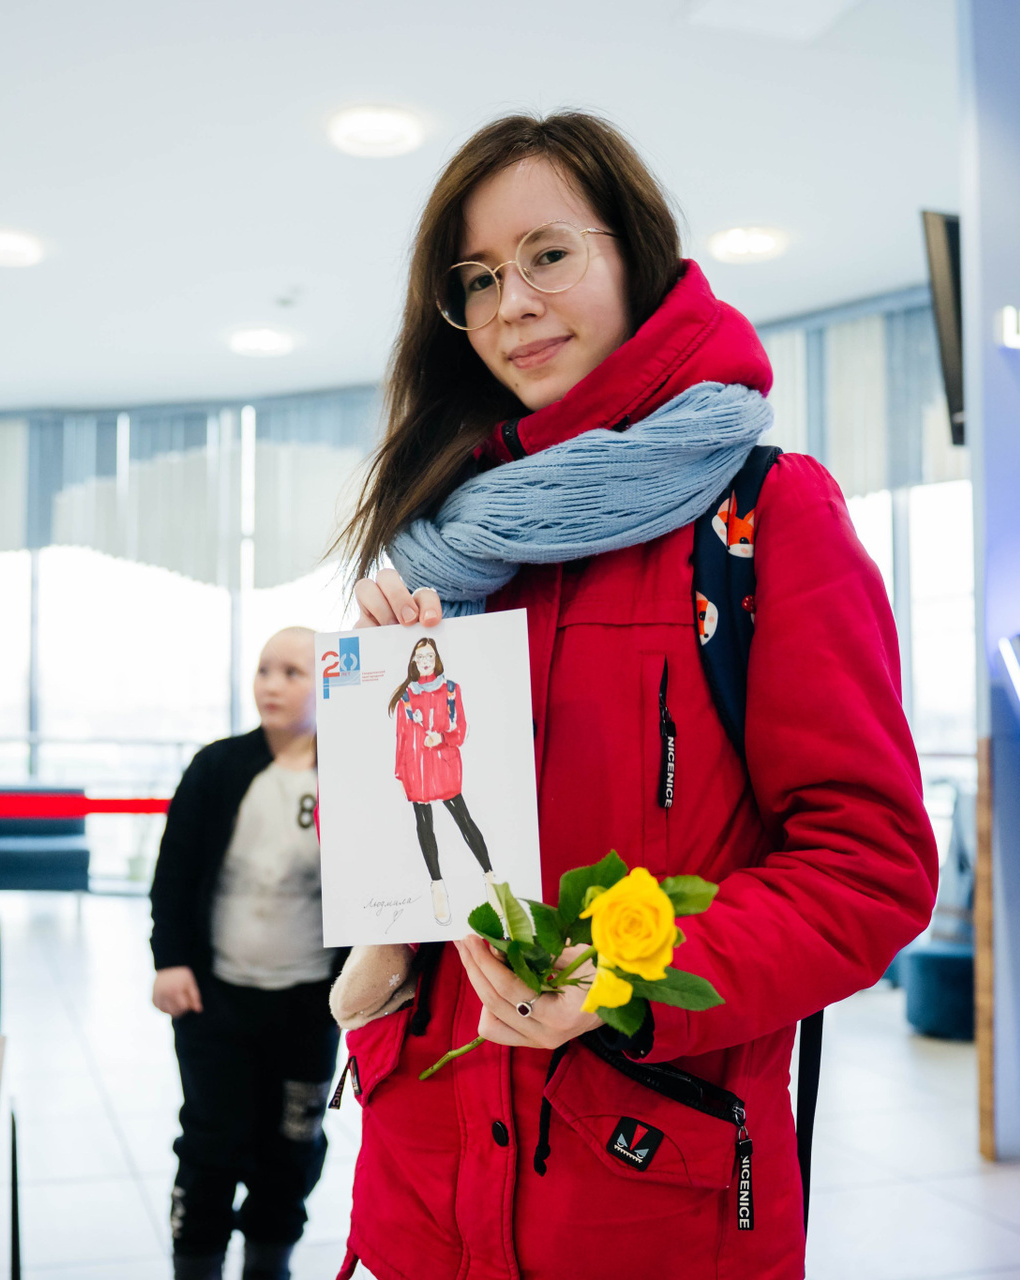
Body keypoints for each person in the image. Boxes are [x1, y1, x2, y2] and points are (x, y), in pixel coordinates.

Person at [327, 113, 938, 1280]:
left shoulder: (765, 517)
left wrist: (627, 974)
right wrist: (381, 730)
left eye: (548, 254)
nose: (512, 304)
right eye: (476, 278)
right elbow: (427, 860)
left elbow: (872, 865)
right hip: (423, 1184)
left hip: (646, 1200)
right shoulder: (446, 535)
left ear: (637, 256)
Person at [149, 627, 344, 1280]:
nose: (271, 685)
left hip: (310, 1006)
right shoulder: (217, 767)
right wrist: (169, 960)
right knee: (213, 1143)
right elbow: (174, 873)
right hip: (215, 1001)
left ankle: (270, 1266)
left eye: (292, 672)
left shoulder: (351, 776)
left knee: (293, 1146)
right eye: (264, 670)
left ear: (328, 684)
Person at [387, 635, 498, 924]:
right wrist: (400, 773)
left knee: (464, 820)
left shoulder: (450, 690)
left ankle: (490, 879)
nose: (425, 661)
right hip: (416, 769)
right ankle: (438, 887)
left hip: (444, 765)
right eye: (420, 657)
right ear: (413, 661)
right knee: (424, 826)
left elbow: (460, 730)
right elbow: (401, 738)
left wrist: (442, 738)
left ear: (436, 659)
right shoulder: (407, 697)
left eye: (429, 656)